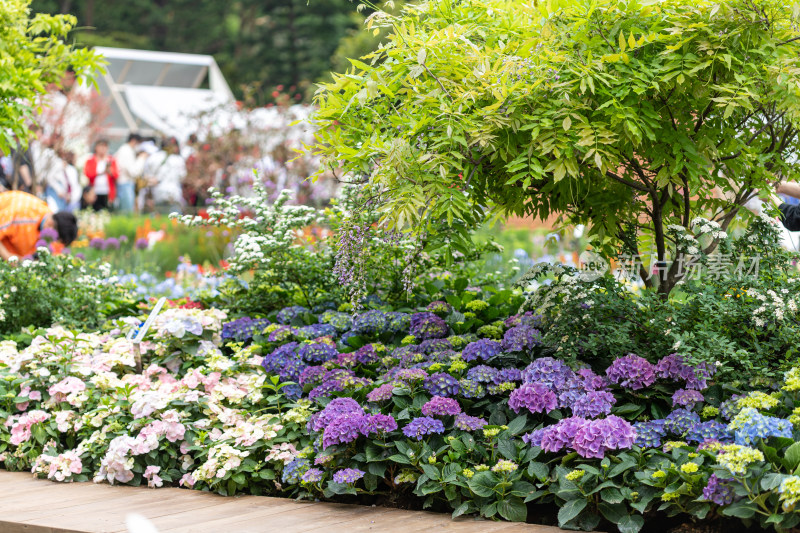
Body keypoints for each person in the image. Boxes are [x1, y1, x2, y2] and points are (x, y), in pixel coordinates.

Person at [0, 190, 78, 260]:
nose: (53, 242)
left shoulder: (47, 214)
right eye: (55, 239)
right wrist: (8, 257)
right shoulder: (24, 217)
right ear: (51, 224)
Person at [143, 137, 186, 214]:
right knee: (175, 221)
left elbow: (146, 177)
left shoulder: (153, 158)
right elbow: (182, 177)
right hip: (174, 194)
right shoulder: (179, 160)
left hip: (158, 193)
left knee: (160, 222)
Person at [114, 133, 147, 213]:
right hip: (125, 184)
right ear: (133, 141)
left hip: (125, 184)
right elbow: (134, 172)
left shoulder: (126, 150)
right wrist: (142, 158)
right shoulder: (126, 151)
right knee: (126, 213)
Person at [84, 139, 119, 211]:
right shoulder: (91, 160)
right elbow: (88, 173)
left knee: (107, 211)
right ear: (96, 147)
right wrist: (101, 173)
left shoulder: (111, 160)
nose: (103, 148)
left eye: (105, 146)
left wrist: (110, 171)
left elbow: (116, 175)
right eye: (101, 146)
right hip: (94, 192)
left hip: (107, 192)